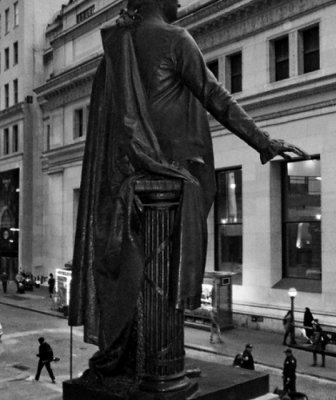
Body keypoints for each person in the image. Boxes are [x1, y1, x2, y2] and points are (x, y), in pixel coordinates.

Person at [68, 0, 308, 376]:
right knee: (162, 274)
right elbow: (215, 97)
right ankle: (161, 366)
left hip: (129, 178)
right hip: (169, 177)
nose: (179, 1)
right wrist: (263, 141)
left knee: (137, 274)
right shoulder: (175, 39)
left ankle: (136, 358)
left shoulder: (115, 50)